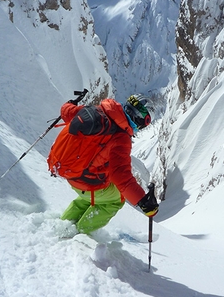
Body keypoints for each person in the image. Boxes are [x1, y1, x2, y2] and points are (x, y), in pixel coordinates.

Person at [58, 94, 159, 234]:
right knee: (116, 199)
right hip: (84, 181)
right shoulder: (121, 138)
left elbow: (67, 112)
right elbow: (120, 176)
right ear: (139, 120)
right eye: (145, 122)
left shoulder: (99, 111)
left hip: (69, 171)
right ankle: (81, 233)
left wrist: (70, 103)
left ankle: (63, 225)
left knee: (94, 195)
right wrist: (143, 202)